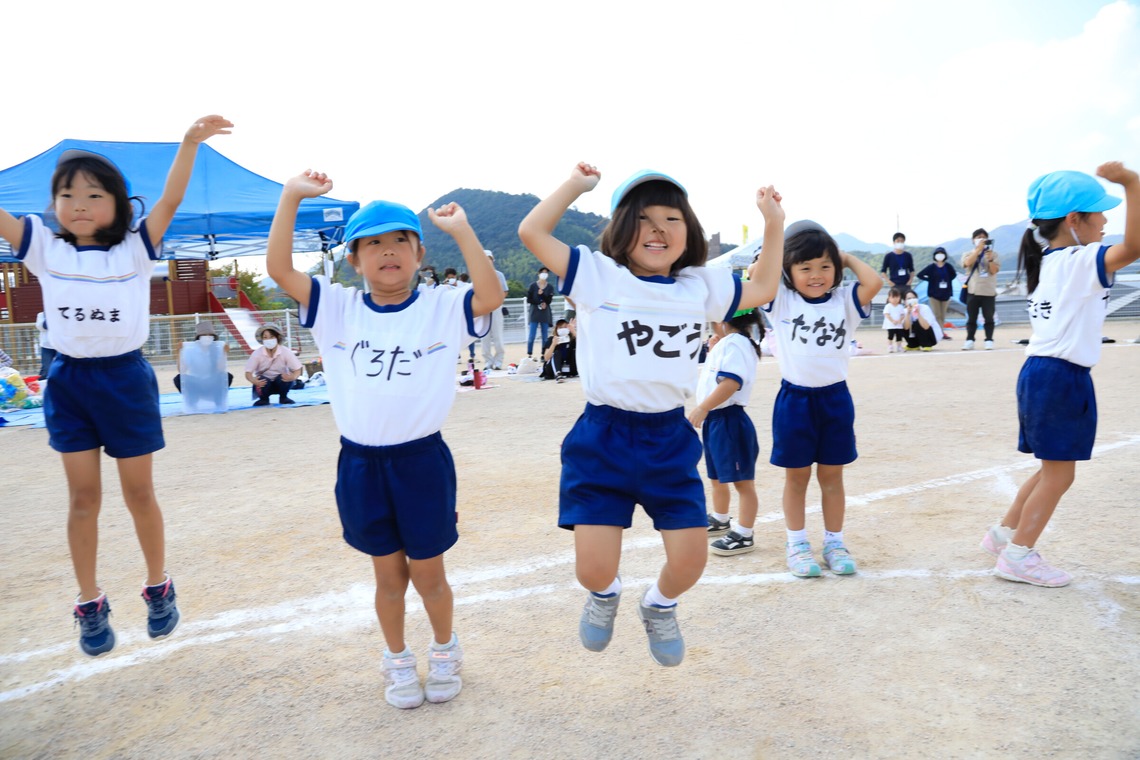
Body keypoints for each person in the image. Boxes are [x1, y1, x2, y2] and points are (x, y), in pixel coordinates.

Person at [518, 163, 784, 667]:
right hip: (603, 435)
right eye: (642, 218)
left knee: (691, 560)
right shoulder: (599, 275)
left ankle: (659, 604)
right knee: (593, 570)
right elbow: (532, 231)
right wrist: (575, 186)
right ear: (620, 229)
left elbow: (765, 286)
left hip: (669, 435)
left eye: (671, 218)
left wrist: (773, 223)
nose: (658, 229)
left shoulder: (700, 285)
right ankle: (605, 595)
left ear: (689, 230)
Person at [267, 169, 503, 708]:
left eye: (400, 240)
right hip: (361, 464)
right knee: (388, 576)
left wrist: (462, 231)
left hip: (421, 461)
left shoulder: (441, 306)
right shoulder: (337, 307)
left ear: (420, 254)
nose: (388, 251)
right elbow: (279, 268)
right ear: (355, 260)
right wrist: (291, 196)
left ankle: (444, 649)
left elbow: (490, 294)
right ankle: (396, 658)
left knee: (429, 574)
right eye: (372, 243)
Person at [0, 114, 233, 656]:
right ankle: (90, 602)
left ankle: (158, 586)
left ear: (120, 205)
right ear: (54, 204)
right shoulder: (44, 247)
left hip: (125, 378)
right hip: (70, 381)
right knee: (83, 498)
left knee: (139, 493)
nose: (78, 204)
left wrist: (190, 142)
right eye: (67, 195)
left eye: (93, 194)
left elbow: (171, 200)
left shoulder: (135, 247)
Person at [980, 162, 1137, 587]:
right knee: (1060, 473)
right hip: (1061, 377)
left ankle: (1004, 535)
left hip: (1040, 372)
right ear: (1074, 220)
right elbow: (1135, 246)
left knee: (1051, 467)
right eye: (1099, 213)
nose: (1105, 222)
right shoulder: (1082, 260)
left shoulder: (1051, 261)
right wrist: (1132, 183)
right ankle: (1018, 556)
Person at [752, 219, 882, 578]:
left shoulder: (844, 301)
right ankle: (796, 544)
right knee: (796, 478)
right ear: (788, 271)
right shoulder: (781, 301)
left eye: (825, 266)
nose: (816, 275)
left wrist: (845, 257)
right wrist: (776, 248)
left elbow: (874, 282)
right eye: (805, 267)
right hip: (795, 401)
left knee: (832, 477)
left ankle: (834, 542)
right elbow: (756, 274)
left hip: (834, 400)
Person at [690, 309, 764, 556]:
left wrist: (703, 407)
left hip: (729, 420)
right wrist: (715, 348)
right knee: (717, 477)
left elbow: (731, 383)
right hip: (717, 421)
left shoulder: (736, 343)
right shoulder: (728, 343)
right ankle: (721, 518)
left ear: (723, 320)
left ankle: (744, 533)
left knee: (743, 483)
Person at [244, 323, 303, 405]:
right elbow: (248, 373)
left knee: (285, 376)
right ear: (262, 339)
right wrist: (254, 381)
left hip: (281, 382)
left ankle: (283, 397)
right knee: (261, 379)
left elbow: (297, 369)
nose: (268, 340)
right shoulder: (257, 354)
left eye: (271, 337)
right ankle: (264, 399)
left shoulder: (285, 351)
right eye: (265, 337)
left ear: (277, 337)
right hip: (264, 384)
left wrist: (292, 377)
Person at [960, 228, 1000, 350]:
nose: (981, 239)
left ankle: (989, 340)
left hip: (988, 291)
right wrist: (978, 250)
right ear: (973, 240)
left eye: (984, 237)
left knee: (989, 318)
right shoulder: (968, 253)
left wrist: (990, 259)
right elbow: (967, 263)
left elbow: (994, 271)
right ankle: (969, 340)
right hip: (973, 290)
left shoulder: (993, 254)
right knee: (971, 318)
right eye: (978, 237)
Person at [173, 321, 233, 392]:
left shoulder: (217, 349)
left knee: (228, 376)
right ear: (199, 337)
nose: (207, 337)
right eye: (204, 335)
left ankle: (216, 396)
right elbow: (182, 370)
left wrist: (224, 353)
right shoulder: (190, 350)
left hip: (212, 382)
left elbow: (221, 369)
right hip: (196, 382)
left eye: (210, 335)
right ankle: (193, 396)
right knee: (178, 379)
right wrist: (179, 352)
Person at [915, 247, 956, 335]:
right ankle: (939, 332)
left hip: (946, 294)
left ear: (945, 255)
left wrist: (947, 280)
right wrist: (929, 279)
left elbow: (954, 275)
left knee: (943, 315)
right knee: (937, 314)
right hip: (934, 294)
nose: (940, 255)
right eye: (938, 253)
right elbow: (920, 275)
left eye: (942, 253)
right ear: (935, 255)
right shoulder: (931, 267)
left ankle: (940, 331)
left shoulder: (948, 266)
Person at [481, 250, 508, 370]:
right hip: (483, 308)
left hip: (496, 307)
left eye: (489, 259)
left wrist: (497, 301)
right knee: (484, 337)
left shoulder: (499, 275)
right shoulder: (479, 275)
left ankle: (498, 361)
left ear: (492, 260)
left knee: (498, 336)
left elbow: (505, 291)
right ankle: (488, 361)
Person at [526, 266, 555, 358]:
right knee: (532, 335)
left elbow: (549, 301)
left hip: (545, 313)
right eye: (542, 272)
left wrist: (542, 296)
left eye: (546, 273)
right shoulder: (533, 286)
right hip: (534, 313)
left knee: (545, 336)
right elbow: (529, 299)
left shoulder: (550, 287)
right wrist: (538, 302)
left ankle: (543, 354)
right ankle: (529, 354)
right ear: (538, 274)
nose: (544, 274)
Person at [881, 288, 906, 353]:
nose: (895, 299)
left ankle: (899, 347)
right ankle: (890, 346)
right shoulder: (888, 306)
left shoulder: (900, 306)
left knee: (899, 336)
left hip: (899, 325)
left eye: (897, 297)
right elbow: (887, 314)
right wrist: (892, 321)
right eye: (893, 297)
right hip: (890, 325)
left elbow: (902, 315)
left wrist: (900, 320)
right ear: (889, 298)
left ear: (900, 298)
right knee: (890, 336)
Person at [36, 311, 57, 378]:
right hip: (47, 345)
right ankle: (43, 381)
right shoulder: (41, 315)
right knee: (46, 367)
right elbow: (41, 326)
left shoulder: (61, 313)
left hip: (60, 345)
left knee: (63, 366)